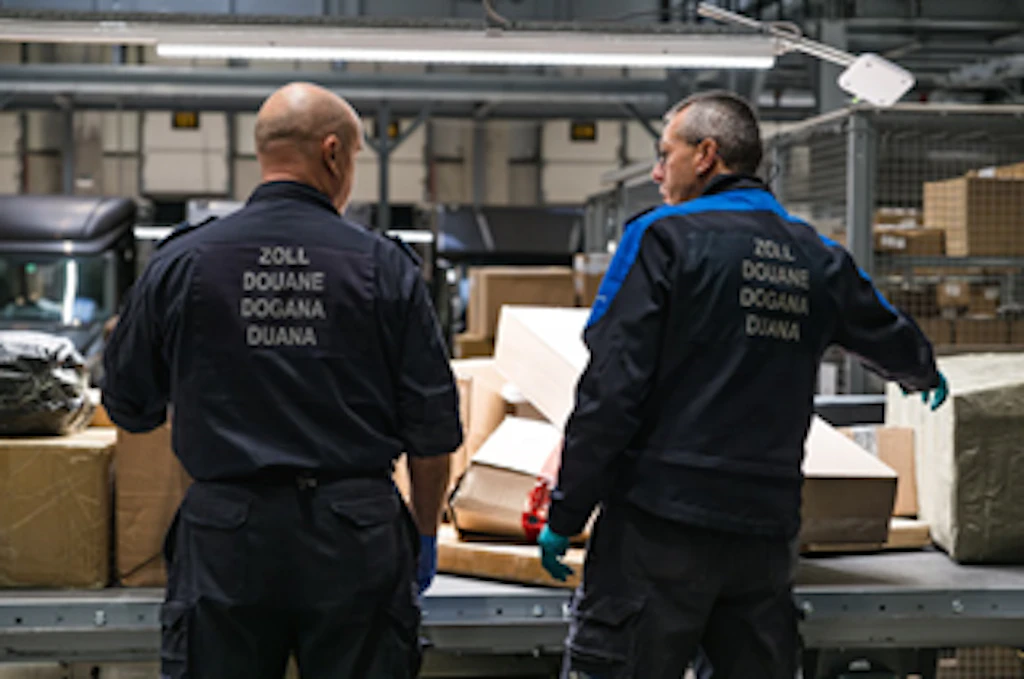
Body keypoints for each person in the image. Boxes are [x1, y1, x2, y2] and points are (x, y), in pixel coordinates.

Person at [538, 90, 948, 679]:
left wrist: (567, 509)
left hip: (659, 527)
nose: (658, 173)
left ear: (706, 155)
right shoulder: (817, 255)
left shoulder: (660, 238)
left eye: (666, 155)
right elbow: (887, 330)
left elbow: (611, 388)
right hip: (763, 534)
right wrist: (921, 371)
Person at [102, 82, 461, 678]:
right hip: (357, 538)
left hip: (226, 538)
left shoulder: (184, 262)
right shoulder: (383, 267)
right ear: (332, 153)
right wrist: (424, 537)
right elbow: (432, 428)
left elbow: (129, 404)